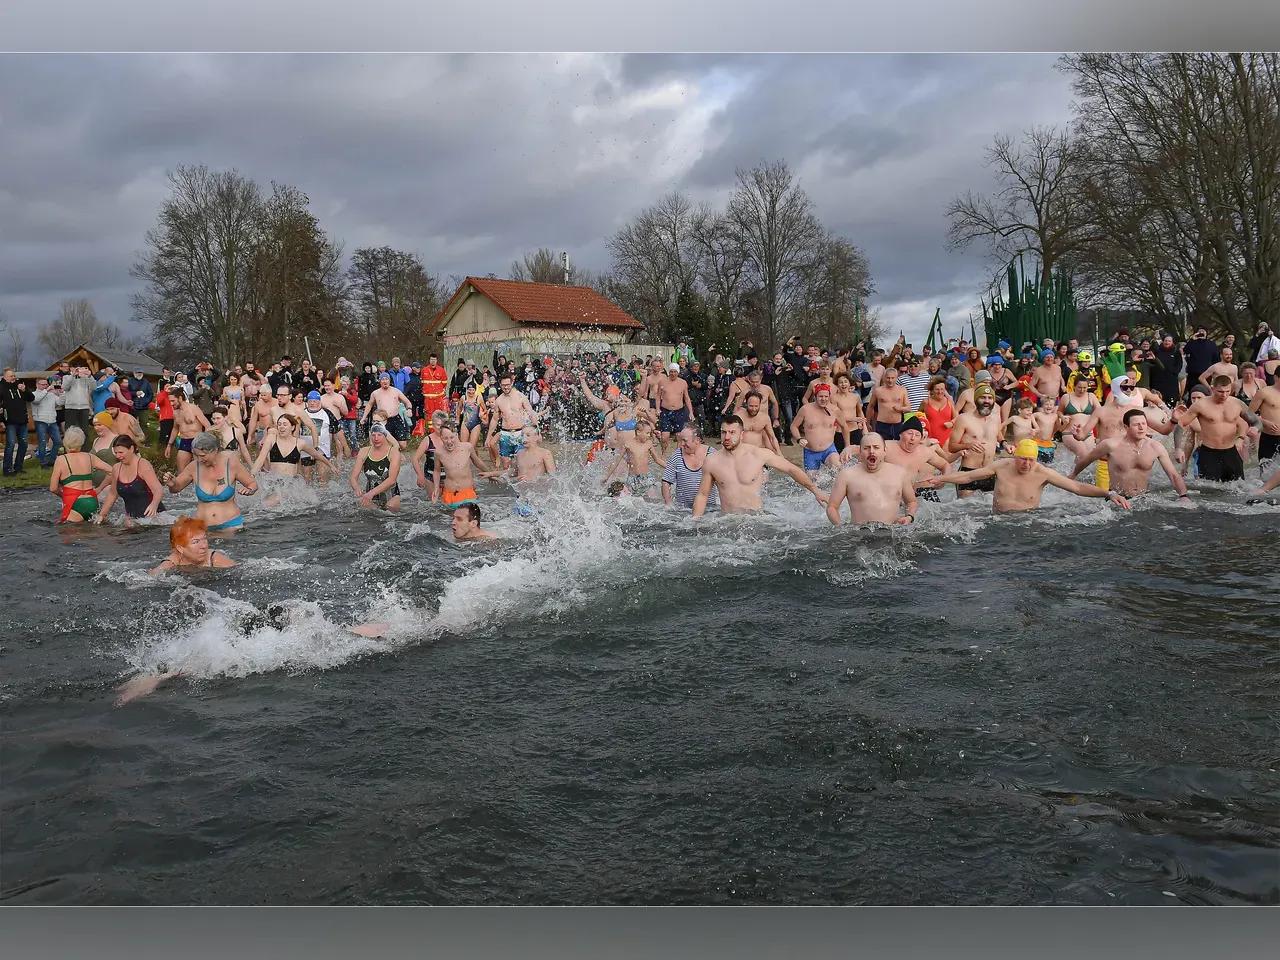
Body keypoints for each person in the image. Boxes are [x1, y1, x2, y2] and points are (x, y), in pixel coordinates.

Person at [924, 438, 1132, 514]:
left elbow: (1076, 488)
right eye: (1022, 459)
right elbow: (969, 477)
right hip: (997, 521)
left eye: (1031, 460)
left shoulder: (1043, 473)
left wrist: (1108, 493)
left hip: (1028, 521)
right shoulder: (1002, 466)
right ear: (1015, 457)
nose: (1027, 464)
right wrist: (941, 479)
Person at [692, 415, 829, 517]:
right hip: (728, 521)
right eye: (724, 432)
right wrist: (695, 522)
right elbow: (702, 495)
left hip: (756, 519)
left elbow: (791, 469)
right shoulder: (712, 461)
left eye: (732, 432)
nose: (727, 437)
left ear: (742, 434)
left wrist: (815, 491)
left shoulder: (758, 454)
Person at [1067, 409, 1193, 503]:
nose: (1141, 427)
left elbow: (1173, 475)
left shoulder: (1155, 447)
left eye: (1144, 424)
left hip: (1143, 499)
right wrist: (1072, 476)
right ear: (1126, 427)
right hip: (1117, 499)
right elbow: (1087, 460)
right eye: (1136, 424)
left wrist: (1183, 495)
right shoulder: (1111, 445)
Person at [163, 432, 258, 532]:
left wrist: (249, 490)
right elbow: (176, 488)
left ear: (215, 450)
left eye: (203, 455)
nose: (199, 459)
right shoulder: (194, 467)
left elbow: (252, 484)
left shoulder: (231, 464)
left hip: (231, 524)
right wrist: (172, 484)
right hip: (202, 527)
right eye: (196, 455)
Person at [825, 432, 918, 526]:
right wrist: (840, 527)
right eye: (866, 448)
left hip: (893, 530)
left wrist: (909, 517)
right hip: (859, 532)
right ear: (860, 452)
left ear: (884, 451)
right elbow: (832, 507)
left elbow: (911, 502)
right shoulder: (847, 475)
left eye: (876, 447)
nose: (871, 451)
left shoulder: (900, 473)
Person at [1173, 375, 1253, 483]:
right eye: (1220, 391)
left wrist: (1242, 437)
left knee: (1239, 487)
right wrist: (1179, 450)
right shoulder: (1200, 406)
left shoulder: (1236, 404)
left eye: (1227, 391)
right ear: (1212, 388)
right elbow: (1182, 427)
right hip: (1209, 453)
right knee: (1209, 489)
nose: (1224, 395)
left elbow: (1250, 422)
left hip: (1231, 452)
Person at [946, 383, 1003, 497]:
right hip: (969, 471)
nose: (987, 401)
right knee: (965, 506)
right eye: (983, 397)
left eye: (990, 398)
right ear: (976, 400)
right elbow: (951, 447)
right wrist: (968, 445)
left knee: (989, 507)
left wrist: (1005, 444)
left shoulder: (996, 418)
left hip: (988, 472)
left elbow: (998, 435)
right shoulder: (963, 419)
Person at [96, 435, 166, 525]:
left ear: (132, 449)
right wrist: (102, 515)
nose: (118, 456)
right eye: (116, 453)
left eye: (121, 452)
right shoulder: (116, 468)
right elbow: (112, 494)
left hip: (154, 519)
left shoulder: (143, 465)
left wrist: (154, 505)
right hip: (132, 521)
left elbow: (158, 489)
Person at [48, 427, 113, 522]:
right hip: (92, 501)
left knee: (69, 530)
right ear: (81, 442)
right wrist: (100, 488)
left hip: (73, 502)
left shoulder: (61, 460)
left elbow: (53, 488)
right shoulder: (90, 457)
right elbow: (113, 471)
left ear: (65, 442)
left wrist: (63, 495)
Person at [430, 423, 498, 508]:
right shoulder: (438, 452)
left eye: (451, 437)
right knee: (449, 516)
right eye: (445, 438)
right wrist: (436, 488)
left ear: (456, 435)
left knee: (469, 514)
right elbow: (437, 470)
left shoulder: (467, 447)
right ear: (441, 438)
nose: (449, 441)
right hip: (449, 495)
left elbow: (477, 462)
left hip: (468, 494)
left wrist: (490, 474)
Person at [791, 384, 852, 474]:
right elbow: (793, 426)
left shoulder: (835, 410)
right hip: (810, 451)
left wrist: (847, 447)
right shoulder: (805, 410)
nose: (823, 399)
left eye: (826, 396)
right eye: (820, 396)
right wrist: (799, 439)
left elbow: (844, 427)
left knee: (838, 469)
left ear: (829, 396)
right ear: (815, 396)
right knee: (813, 480)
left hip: (829, 450)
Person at [149, 516, 236, 575]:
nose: (204, 546)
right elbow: (151, 576)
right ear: (180, 548)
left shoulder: (214, 559)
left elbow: (237, 571)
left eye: (204, 538)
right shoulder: (174, 561)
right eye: (196, 542)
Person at [603, 418, 666, 499]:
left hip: (646, 477)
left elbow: (657, 459)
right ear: (638, 432)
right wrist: (607, 476)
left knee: (652, 499)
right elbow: (616, 461)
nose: (649, 435)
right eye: (647, 433)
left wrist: (671, 468)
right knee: (634, 500)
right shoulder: (628, 444)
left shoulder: (649, 443)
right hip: (633, 479)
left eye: (650, 433)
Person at [486, 374, 538, 469]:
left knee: (521, 464)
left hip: (520, 433)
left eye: (508, 385)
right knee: (506, 465)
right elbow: (494, 419)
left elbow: (531, 413)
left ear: (512, 383)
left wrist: (537, 431)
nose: (506, 387)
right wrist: (488, 436)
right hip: (505, 434)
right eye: (503, 385)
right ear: (500, 385)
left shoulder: (520, 396)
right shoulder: (499, 400)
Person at [661, 423, 716, 511]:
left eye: (685, 440)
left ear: (697, 440)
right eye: (680, 440)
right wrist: (668, 503)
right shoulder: (677, 455)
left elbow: (724, 481)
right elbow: (666, 481)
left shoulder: (712, 454)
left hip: (709, 509)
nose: (682, 444)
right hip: (683, 509)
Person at [349, 422, 403, 511]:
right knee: (370, 513)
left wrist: (371, 493)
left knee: (390, 510)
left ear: (385, 436)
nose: (376, 438)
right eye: (373, 435)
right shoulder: (364, 451)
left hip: (391, 495)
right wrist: (357, 488)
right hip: (370, 496)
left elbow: (392, 480)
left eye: (379, 435)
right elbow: (353, 478)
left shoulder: (394, 452)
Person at [362, 373, 413, 448]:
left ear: (389, 381)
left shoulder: (396, 391)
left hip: (396, 418)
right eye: (383, 379)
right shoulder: (375, 393)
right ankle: (390, 453)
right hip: (382, 420)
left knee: (403, 445)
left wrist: (409, 409)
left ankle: (395, 451)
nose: (385, 381)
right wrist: (364, 417)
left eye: (386, 379)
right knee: (385, 443)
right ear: (380, 381)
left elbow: (407, 402)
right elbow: (369, 405)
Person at [166, 389, 211, 473]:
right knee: (181, 471)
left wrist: (205, 442)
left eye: (173, 401)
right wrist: (169, 445)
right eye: (170, 401)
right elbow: (175, 428)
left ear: (180, 398)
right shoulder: (175, 412)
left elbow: (207, 425)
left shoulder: (193, 408)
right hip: (184, 441)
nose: (171, 404)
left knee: (200, 470)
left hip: (197, 441)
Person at [655, 362, 695, 454]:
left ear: (678, 372)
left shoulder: (683, 383)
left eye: (675, 372)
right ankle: (663, 453)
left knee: (679, 436)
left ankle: (677, 455)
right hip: (665, 411)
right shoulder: (662, 382)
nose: (673, 374)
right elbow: (658, 397)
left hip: (679, 411)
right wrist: (657, 409)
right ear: (669, 372)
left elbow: (687, 398)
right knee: (665, 437)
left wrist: (691, 412)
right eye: (671, 372)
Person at [1, 367, 35, 475]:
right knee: (10, 445)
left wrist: (25, 390)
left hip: (22, 421)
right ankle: (7, 469)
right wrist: (1, 420)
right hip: (10, 421)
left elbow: (31, 398)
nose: (13, 378)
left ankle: (18, 467)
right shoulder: (1, 387)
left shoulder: (19, 386)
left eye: (14, 375)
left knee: (23, 444)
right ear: (5, 377)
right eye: (11, 376)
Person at [867, 365, 911, 441]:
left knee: (898, 445)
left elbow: (908, 408)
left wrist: (900, 409)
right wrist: (868, 423)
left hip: (897, 424)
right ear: (884, 378)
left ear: (896, 378)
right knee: (882, 445)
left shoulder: (902, 390)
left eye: (892, 378)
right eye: (888, 378)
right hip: (882, 424)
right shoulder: (878, 390)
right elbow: (870, 406)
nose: (890, 380)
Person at [31, 376, 64, 468]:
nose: (45, 386)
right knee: (42, 442)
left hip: (52, 421)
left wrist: (62, 393)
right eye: (43, 384)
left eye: (46, 384)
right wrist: (47, 390)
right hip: (40, 421)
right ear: (37, 385)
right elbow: (36, 400)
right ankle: (43, 462)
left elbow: (60, 403)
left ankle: (52, 460)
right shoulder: (33, 394)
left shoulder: (51, 394)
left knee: (58, 441)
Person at [1248, 376, 1280, 466]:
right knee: (1266, 469)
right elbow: (1248, 413)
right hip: (1270, 437)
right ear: (1276, 377)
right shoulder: (1264, 392)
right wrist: (1264, 422)